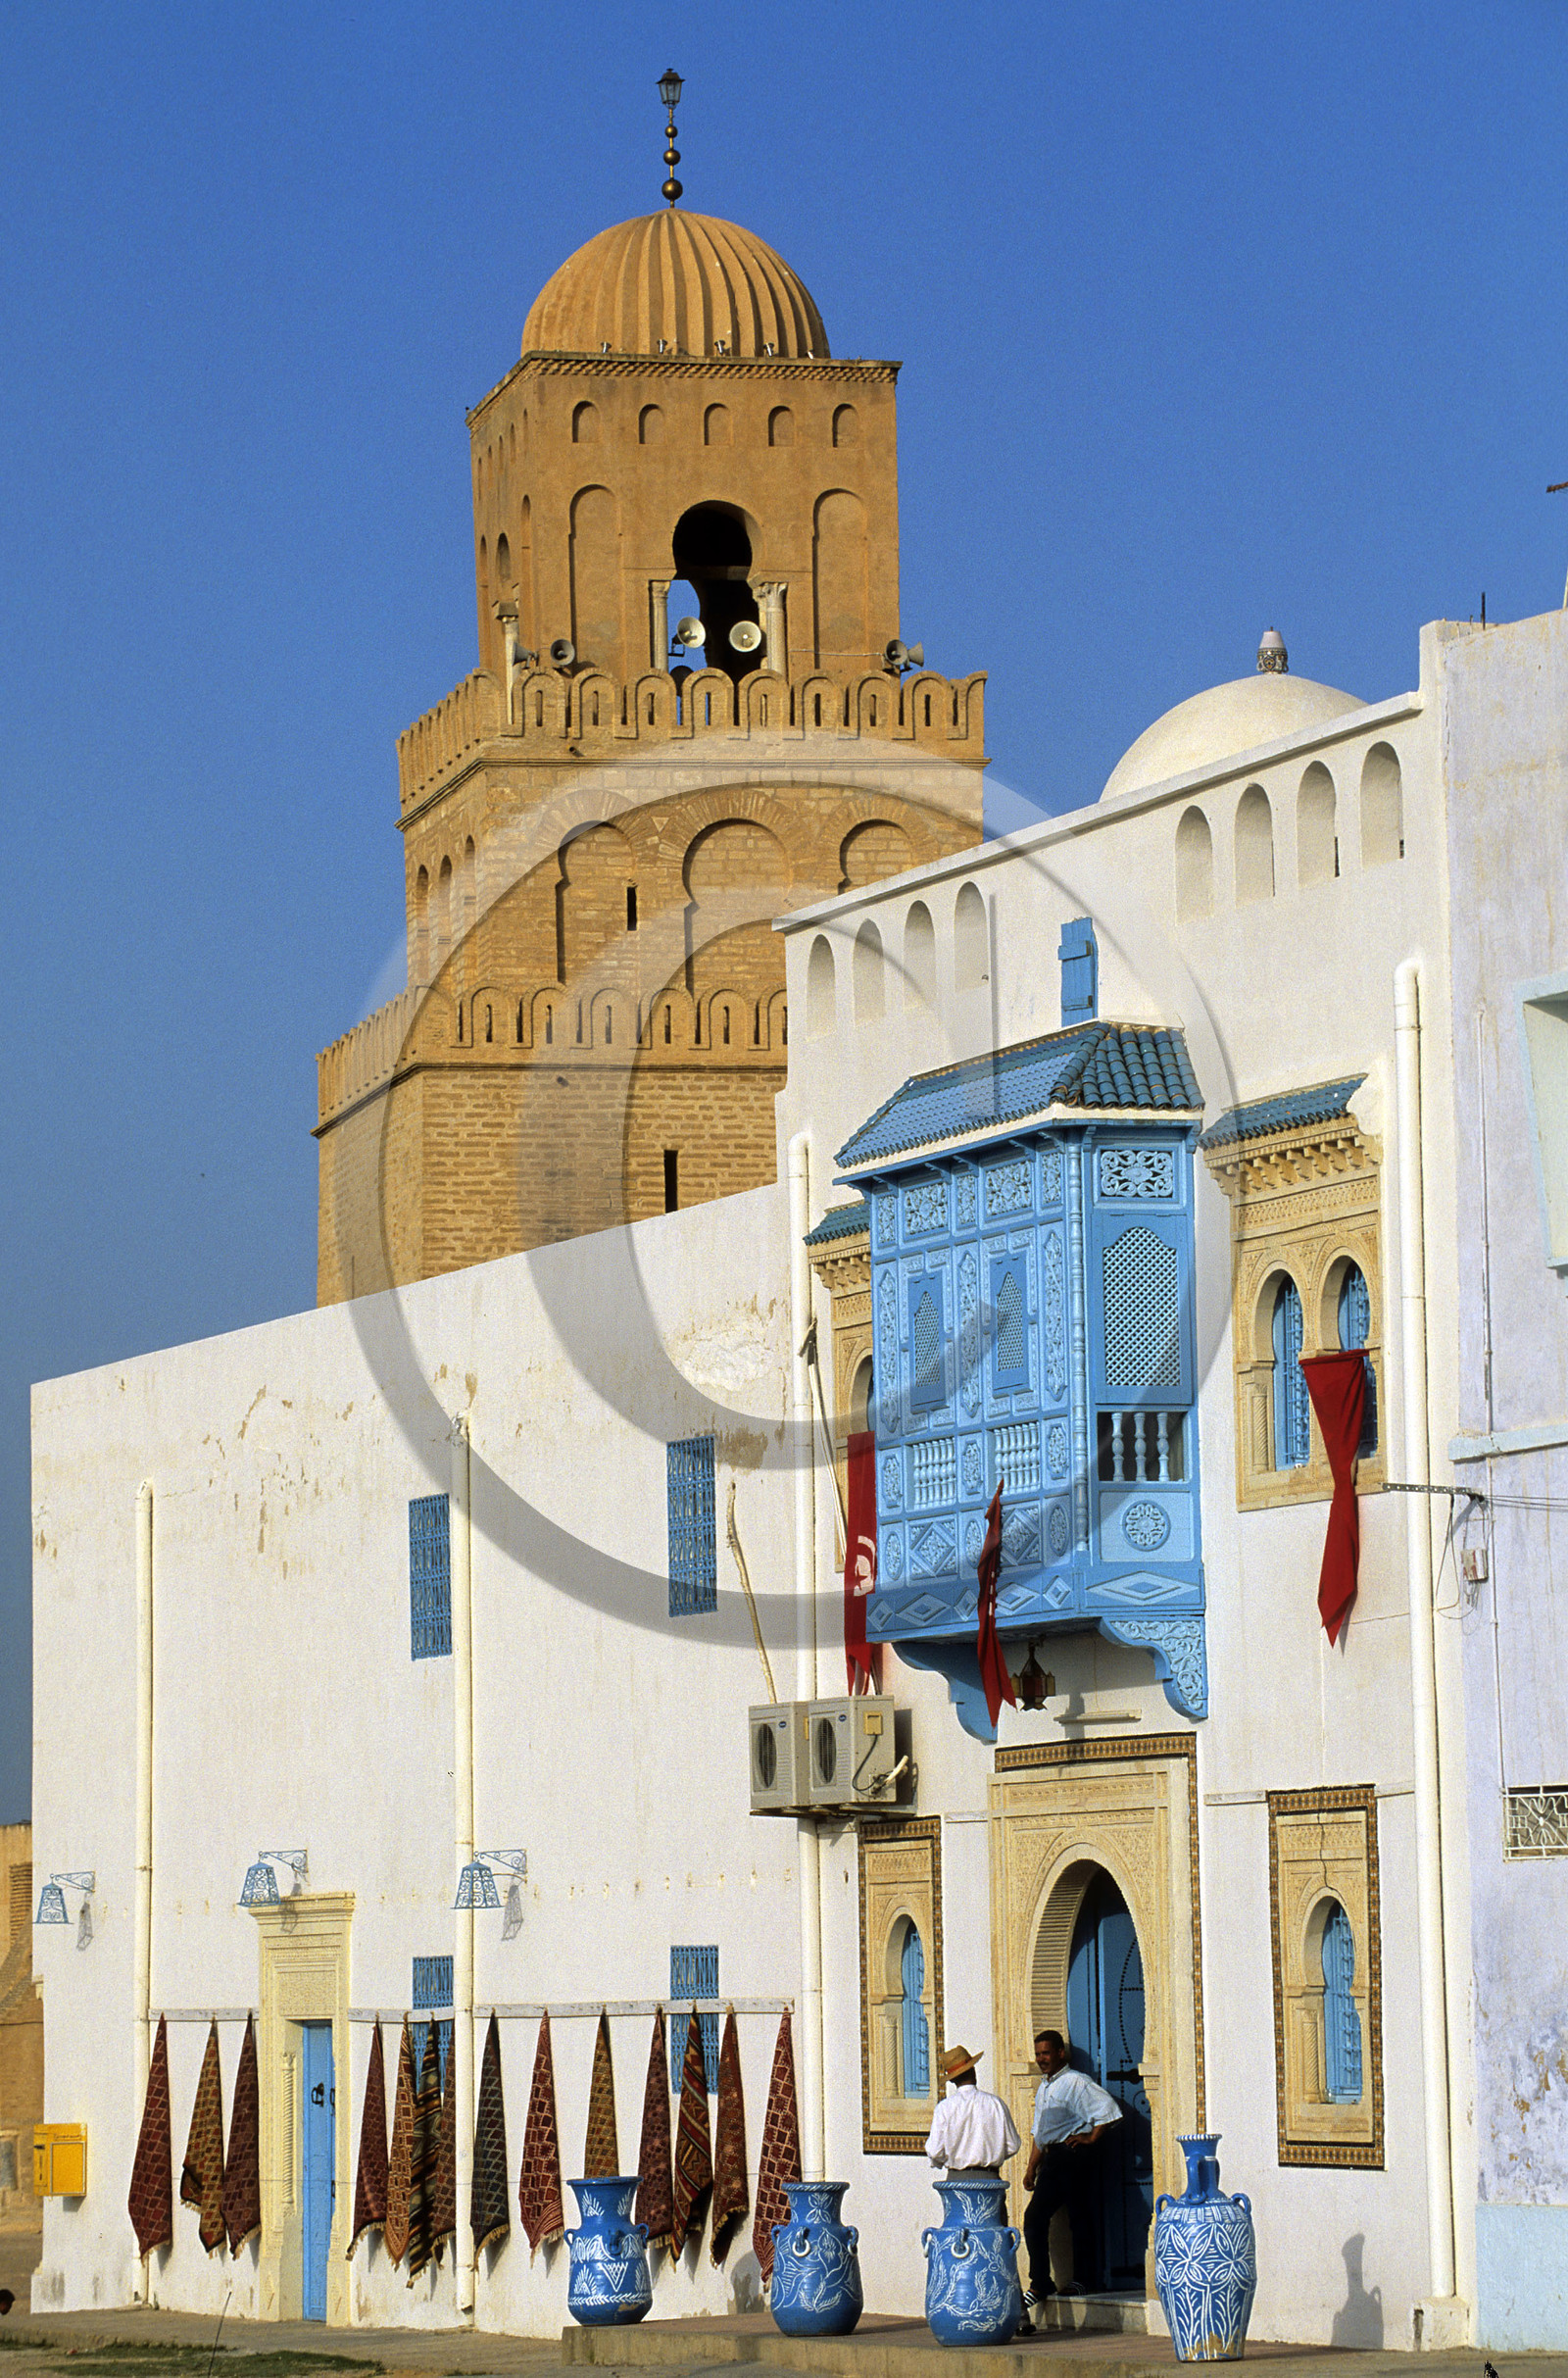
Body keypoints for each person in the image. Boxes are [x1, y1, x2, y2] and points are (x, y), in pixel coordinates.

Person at [1021, 2027, 1122, 2310]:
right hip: (1052, 2160)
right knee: (1051, 2218)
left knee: (1064, 2217)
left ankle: (1058, 2280)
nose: (1042, 2058)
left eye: (1046, 2053)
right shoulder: (1045, 2087)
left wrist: (1091, 2137)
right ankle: (1053, 2280)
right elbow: (1040, 2133)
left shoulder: (1077, 2082)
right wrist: (1031, 2168)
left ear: (1060, 2053)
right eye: (1038, 2053)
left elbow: (1108, 2109)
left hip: (1072, 2157)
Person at [924, 2041, 1021, 2178]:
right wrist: (993, 2154)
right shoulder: (995, 2104)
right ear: (973, 2070)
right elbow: (1013, 2145)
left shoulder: (944, 2108)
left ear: (952, 2080)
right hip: (990, 2179)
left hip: (957, 2180)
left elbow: (934, 2151)